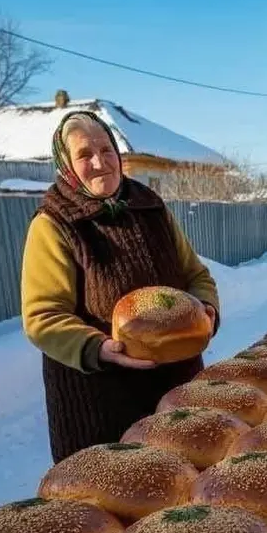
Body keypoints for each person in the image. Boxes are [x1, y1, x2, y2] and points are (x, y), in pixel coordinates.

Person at [21, 111, 220, 464]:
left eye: (106, 150)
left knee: (188, 490)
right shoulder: (55, 224)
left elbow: (196, 275)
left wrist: (206, 308)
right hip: (101, 400)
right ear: (65, 164)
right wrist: (97, 347)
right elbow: (42, 316)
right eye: (84, 154)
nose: (99, 162)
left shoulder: (151, 207)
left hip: (177, 389)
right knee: (116, 502)